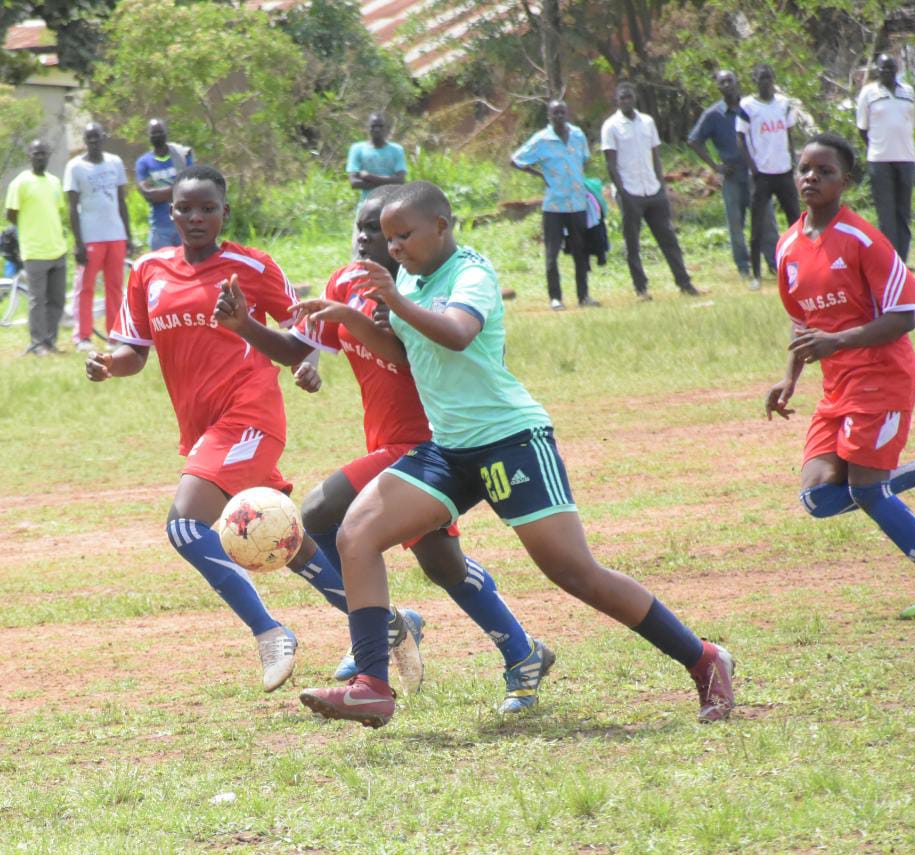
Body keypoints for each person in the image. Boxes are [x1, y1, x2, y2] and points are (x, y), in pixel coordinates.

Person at [293, 181, 734, 729]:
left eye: (403, 235)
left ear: (441, 225)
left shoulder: (472, 274)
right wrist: (348, 316)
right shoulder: (408, 275)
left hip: (510, 440)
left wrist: (394, 299)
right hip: (449, 448)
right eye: (388, 238)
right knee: (356, 534)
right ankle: (372, 686)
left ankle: (705, 659)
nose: (395, 247)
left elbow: (456, 334)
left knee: (574, 572)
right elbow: (405, 353)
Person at [212, 186, 555, 714]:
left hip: (426, 441)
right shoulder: (345, 282)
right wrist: (246, 327)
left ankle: (378, 630)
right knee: (441, 563)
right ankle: (521, 651)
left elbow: (429, 354)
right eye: (364, 227)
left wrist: (379, 314)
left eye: (382, 229)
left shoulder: (424, 289)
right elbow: (297, 347)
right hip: (386, 439)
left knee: (321, 513)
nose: (368, 238)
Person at [84, 164, 387, 694]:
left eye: (207, 208)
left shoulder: (250, 265)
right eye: (185, 208)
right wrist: (110, 363)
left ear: (225, 212)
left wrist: (306, 363)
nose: (196, 217)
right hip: (203, 427)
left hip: (249, 415)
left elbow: (303, 332)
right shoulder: (148, 269)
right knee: (283, 541)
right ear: (170, 212)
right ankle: (385, 624)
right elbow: (135, 352)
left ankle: (270, 632)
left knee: (184, 526)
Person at [765, 133, 915, 621]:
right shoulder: (788, 245)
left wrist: (837, 342)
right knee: (818, 497)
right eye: (804, 169)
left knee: (866, 489)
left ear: (847, 181)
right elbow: (803, 323)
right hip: (837, 385)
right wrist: (790, 377)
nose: (811, 177)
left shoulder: (864, 239)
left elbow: (904, 316)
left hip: (882, 377)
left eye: (825, 170)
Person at [601, 81, 702, 300]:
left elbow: (655, 156)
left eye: (629, 96)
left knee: (668, 239)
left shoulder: (647, 122)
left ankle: (684, 283)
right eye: (622, 98)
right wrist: (622, 192)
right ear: (616, 101)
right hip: (630, 192)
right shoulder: (611, 126)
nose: (626, 101)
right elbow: (611, 164)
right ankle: (641, 289)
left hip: (653, 190)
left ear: (635, 98)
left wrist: (661, 186)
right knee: (633, 244)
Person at [688, 70, 779, 290]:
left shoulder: (751, 107)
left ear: (737, 82)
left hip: (756, 173)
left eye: (730, 80)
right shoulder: (713, 115)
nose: (727, 85)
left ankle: (775, 264)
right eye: (722, 82)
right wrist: (715, 166)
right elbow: (694, 141)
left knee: (766, 221)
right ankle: (743, 267)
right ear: (717, 87)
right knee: (736, 225)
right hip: (732, 176)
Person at [511, 100, 598, 310]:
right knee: (552, 254)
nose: (559, 116)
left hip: (577, 202)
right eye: (555, 113)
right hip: (554, 206)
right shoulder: (542, 139)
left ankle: (584, 296)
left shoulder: (577, 135)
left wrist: (576, 176)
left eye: (562, 112)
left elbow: (585, 158)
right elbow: (516, 160)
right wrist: (541, 174)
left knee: (581, 252)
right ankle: (555, 298)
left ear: (567, 114)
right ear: (549, 117)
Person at [64, 122, 134, 352]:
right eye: (89, 139)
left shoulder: (115, 162)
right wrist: (79, 242)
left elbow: (121, 201)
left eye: (97, 138)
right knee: (85, 288)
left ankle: (115, 336)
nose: (93, 142)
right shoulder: (75, 167)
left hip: (115, 235)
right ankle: (82, 336)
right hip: (91, 237)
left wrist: (129, 235)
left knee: (115, 287)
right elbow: (73, 208)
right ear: (85, 141)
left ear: (104, 138)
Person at [736, 64, 801, 290]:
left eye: (768, 77)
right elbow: (741, 139)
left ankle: (801, 267)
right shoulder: (747, 106)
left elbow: (789, 134)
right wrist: (752, 166)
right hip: (762, 174)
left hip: (783, 172)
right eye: (761, 78)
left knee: (796, 222)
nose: (765, 82)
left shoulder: (784, 104)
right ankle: (756, 274)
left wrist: (793, 161)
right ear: (755, 80)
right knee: (758, 225)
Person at [4, 139, 67, 356]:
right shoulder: (20, 183)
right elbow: (11, 214)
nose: (40, 157)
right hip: (34, 252)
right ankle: (37, 343)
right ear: (29, 155)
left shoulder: (54, 182)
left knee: (57, 300)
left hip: (57, 249)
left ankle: (50, 341)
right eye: (36, 153)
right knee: (37, 301)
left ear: (48, 155)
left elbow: (56, 211)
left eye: (43, 153)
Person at [856, 54, 915, 263]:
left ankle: (903, 261)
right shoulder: (868, 93)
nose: (888, 72)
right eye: (883, 69)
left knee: (903, 212)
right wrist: (877, 147)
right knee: (886, 213)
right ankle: (890, 262)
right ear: (877, 70)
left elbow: (910, 122)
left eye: (891, 68)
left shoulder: (908, 91)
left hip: (906, 158)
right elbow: (862, 129)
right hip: (879, 160)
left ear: (897, 69)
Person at [135, 119, 193, 250]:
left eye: (160, 132)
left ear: (166, 133)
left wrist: (159, 191)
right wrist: (177, 189)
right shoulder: (143, 162)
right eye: (153, 133)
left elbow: (191, 187)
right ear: (148, 136)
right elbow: (148, 195)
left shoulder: (181, 156)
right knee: (161, 268)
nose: (157, 136)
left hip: (185, 224)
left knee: (189, 267)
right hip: (160, 227)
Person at [346, 112, 406, 204]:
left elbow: (400, 181)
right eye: (373, 126)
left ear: (386, 128)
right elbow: (354, 182)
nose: (377, 129)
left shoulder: (397, 150)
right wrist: (389, 181)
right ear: (367, 128)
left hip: (390, 206)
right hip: (366, 206)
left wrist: (369, 177)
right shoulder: (357, 149)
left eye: (380, 126)